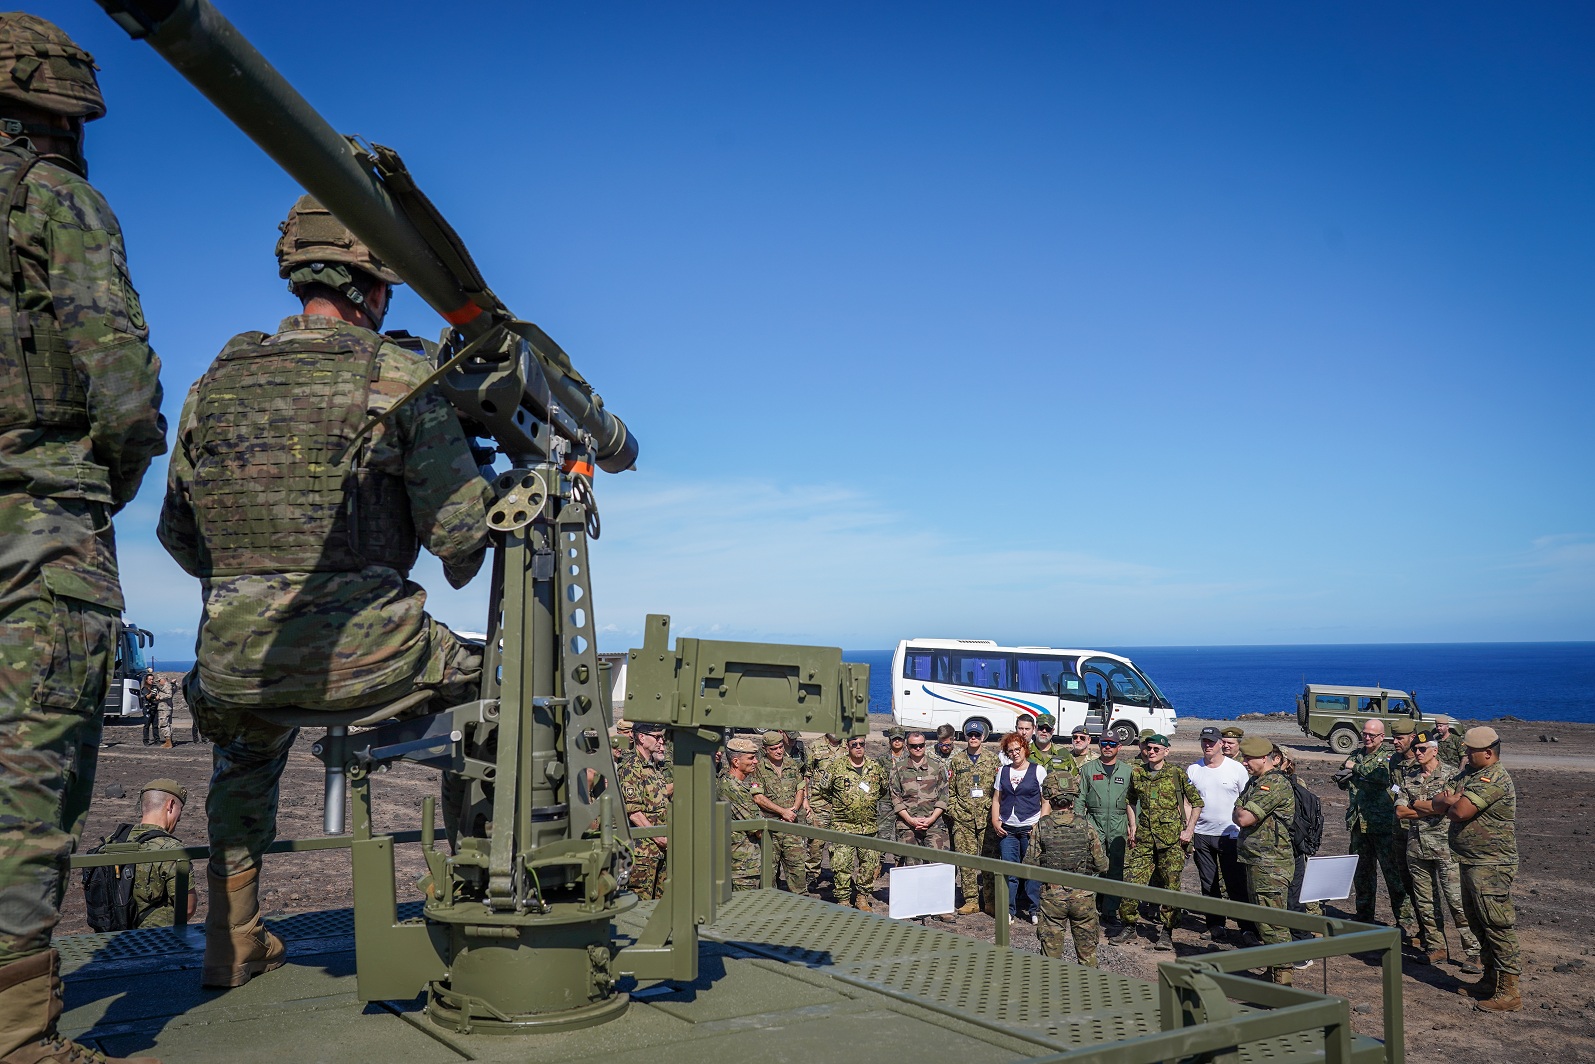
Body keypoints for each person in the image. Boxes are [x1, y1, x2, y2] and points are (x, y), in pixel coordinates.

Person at [157, 196, 493, 989]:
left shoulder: (218, 380)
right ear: (375, 286)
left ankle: (231, 943)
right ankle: (484, 905)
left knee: (244, 751)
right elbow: (460, 540)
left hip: (238, 660)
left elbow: (179, 533)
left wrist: (250, 585)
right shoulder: (401, 376)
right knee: (504, 699)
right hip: (371, 656)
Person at [0, 16, 168, 1063]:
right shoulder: (53, 199)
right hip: (37, 517)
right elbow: (126, 390)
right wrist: (96, 486)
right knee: (30, 784)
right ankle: (17, 1037)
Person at [1431, 726, 1520, 1012]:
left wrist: (1451, 801)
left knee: (1496, 926)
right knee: (1477, 922)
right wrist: (1449, 800)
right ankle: (1489, 979)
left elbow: (1459, 811)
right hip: (1470, 861)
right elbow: (1437, 799)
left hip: (1491, 864)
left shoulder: (1494, 778)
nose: (1466, 754)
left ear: (1488, 753)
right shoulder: (1470, 775)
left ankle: (1509, 991)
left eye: (1471, 751)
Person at [1393, 732, 1480, 970]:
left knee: (1457, 901)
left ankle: (1474, 952)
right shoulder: (1409, 778)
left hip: (1446, 848)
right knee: (1425, 902)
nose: (1418, 753)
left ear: (1435, 750)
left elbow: (1456, 804)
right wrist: (1435, 806)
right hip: (1417, 847)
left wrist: (1419, 806)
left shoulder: (1454, 775)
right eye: (1416, 749)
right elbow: (1400, 812)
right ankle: (1436, 947)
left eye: (1422, 749)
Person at [1334, 718, 1414, 932]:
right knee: (1362, 874)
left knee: (1393, 876)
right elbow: (1350, 782)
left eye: (1372, 735)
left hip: (1383, 826)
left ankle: (1405, 922)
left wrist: (1354, 767)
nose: (1367, 738)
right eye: (1365, 734)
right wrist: (1344, 777)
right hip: (1359, 824)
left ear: (1381, 737)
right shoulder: (1356, 755)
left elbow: (1381, 776)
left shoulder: (1389, 758)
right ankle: (1364, 916)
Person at [1124, 733, 1202, 950]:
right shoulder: (1138, 773)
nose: (1151, 752)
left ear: (1166, 751)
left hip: (1171, 841)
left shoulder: (1176, 774)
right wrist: (1133, 826)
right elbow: (1130, 800)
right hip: (1145, 839)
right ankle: (1129, 924)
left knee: (1171, 887)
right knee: (1131, 881)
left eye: (1157, 749)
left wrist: (1189, 830)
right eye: (1149, 748)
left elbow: (1197, 803)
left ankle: (1167, 931)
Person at [1024, 772, 1108, 966]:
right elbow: (1102, 865)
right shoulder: (1085, 826)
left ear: (1049, 797)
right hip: (1083, 898)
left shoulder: (1041, 827)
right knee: (1088, 958)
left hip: (1052, 899)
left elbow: (1029, 864)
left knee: (1051, 960)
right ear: (1073, 796)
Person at [1232, 737, 1296, 986]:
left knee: (1273, 922)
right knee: (1263, 919)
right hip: (1257, 859)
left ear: (1266, 758)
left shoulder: (1274, 783)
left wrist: (1240, 810)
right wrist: (1240, 809)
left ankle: (1283, 979)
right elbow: (1239, 809)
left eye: (1249, 758)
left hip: (1271, 863)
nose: (1245, 762)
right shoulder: (1256, 782)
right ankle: (1274, 971)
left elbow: (1244, 817)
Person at [1186, 726, 1254, 943]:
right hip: (1202, 835)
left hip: (1230, 835)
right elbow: (1187, 802)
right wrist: (1190, 829)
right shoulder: (1193, 770)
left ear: (1220, 744)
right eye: (1204, 741)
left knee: (1236, 884)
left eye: (1211, 742)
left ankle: (1247, 927)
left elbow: (1246, 800)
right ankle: (1215, 925)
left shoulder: (1236, 769)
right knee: (1209, 883)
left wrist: (1244, 831)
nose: (1207, 745)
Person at [820, 735, 891, 911]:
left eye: (861, 744)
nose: (858, 747)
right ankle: (843, 899)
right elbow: (824, 789)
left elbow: (883, 789)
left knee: (869, 864)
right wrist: (844, 805)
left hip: (868, 827)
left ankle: (862, 897)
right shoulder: (836, 767)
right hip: (842, 827)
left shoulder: (875, 767)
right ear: (847, 746)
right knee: (841, 865)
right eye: (854, 745)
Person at [1078, 734, 1136, 941]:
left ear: (1119, 747)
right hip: (1094, 821)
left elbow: (1132, 801)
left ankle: (1110, 911)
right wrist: (1080, 824)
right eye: (1104, 744)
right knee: (1093, 866)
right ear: (1100, 745)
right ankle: (1089, 910)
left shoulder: (1128, 771)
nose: (1108, 747)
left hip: (1119, 822)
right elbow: (1080, 799)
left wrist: (1132, 825)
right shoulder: (1088, 769)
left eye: (1112, 744)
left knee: (1116, 868)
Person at [127, 780, 198, 928]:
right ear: (170, 805)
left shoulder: (114, 840)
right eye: (180, 810)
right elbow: (187, 908)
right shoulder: (171, 848)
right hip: (156, 939)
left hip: (112, 938)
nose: (179, 818)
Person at [992, 732, 1047, 922]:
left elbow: (1045, 800)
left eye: (1018, 749)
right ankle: (1009, 910)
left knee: (1031, 870)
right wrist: (995, 820)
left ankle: (1034, 910)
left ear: (1025, 749)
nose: (1015, 753)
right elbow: (997, 798)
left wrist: (1039, 823)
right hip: (1008, 828)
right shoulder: (1003, 772)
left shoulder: (1038, 770)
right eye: (1011, 751)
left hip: (1029, 827)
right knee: (1010, 871)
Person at [948, 723, 1001, 915]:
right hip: (963, 819)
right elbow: (950, 790)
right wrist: (954, 810)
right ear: (965, 737)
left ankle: (991, 901)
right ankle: (971, 900)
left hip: (987, 818)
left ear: (983, 737)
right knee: (966, 861)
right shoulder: (957, 760)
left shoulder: (993, 760)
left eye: (977, 735)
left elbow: (998, 790)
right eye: (970, 734)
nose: (973, 738)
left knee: (990, 861)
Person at [619, 723, 671, 900]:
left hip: (660, 850)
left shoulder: (654, 768)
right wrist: (658, 838)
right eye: (657, 737)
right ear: (641, 737)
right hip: (643, 854)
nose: (661, 741)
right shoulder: (631, 768)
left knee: (661, 904)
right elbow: (634, 813)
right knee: (641, 905)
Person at [753, 730, 808, 893]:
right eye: (773, 749)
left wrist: (794, 809)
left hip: (792, 826)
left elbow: (800, 788)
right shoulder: (759, 768)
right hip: (771, 829)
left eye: (780, 747)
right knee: (768, 875)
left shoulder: (791, 764)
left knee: (797, 870)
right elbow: (758, 797)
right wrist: (782, 812)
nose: (778, 751)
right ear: (765, 749)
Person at [890, 731, 950, 867]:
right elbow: (895, 797)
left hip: (934, 824)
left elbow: (944, 795)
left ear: (925, 745)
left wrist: (931, 819)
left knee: (937, 865)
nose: (918, 748)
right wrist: (910, 820)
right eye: (914, 746)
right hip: (908, 825)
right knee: (912, 866)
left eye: (921, 745)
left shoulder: (938, 767)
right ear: (907, 747)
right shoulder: (898, 769)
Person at [718, 737, 764, 891]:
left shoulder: (730, 782)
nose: (756, 761)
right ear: (736, 762)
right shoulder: (733, 789)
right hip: (743, 867)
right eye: (750, 758)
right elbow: (757, 830)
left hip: (745, 863)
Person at [804, 732, 847, 891]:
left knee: (840, 844)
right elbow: (806, 775)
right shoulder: (814, 746)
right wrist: (805, 800)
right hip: (819, 802)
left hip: (842, 804)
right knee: (816, 842)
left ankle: (839, 877)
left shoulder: (849, 745)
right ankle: (812, 876)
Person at [1029, 714, 1077, 778]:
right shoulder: (1024, 752)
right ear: (1035, 728)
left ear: (1053, 731)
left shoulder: (1063, 753)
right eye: (1041, 728)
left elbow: (1075, 778)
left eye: (1048, 729)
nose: (1044, 731)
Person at [141, 669, 176, 748]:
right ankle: (146, 740)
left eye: (153, 679)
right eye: (150, 679)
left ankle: (159, 740)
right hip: (148, 708)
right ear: (146, 680)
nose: (152, 681)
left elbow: (168, 693)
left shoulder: (157, 687)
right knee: (147, 725)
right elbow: (147, 696)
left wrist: (172, 684)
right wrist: (152, 693)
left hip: (157, 708)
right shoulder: (145, 688)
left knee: (157, 725)